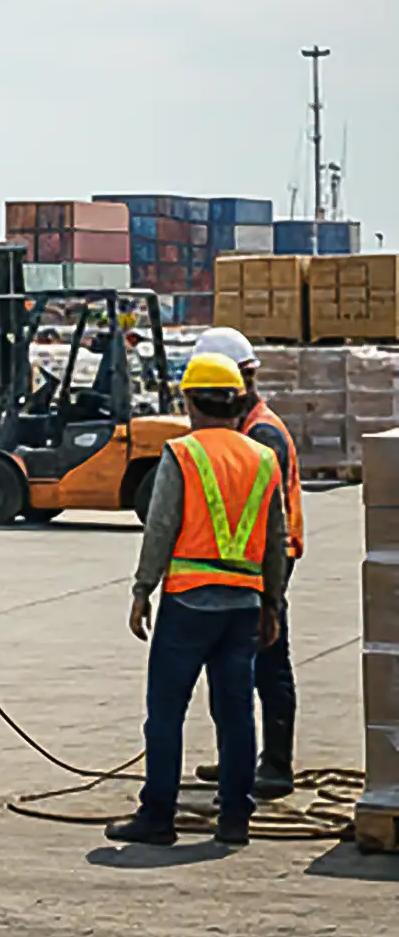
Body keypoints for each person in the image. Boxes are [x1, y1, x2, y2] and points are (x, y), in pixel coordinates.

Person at [105, 352, 288, 847]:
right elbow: (276, 538)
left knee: (166, 711)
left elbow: (160, 526)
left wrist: (142, 589)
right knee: (235, 713)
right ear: (238, 400)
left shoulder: (181, 454)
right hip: (244, 605)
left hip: (188, 603)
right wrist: (272, 603)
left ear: (189, 401)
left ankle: (158, 816)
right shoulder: (263, 458)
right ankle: (234, 819)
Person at [191, 325, 299, 801]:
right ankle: (238, 756)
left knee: (268, 663)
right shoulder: (245, 428)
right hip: (240, 564)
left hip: (268, 562)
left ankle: (275, 765)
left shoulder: (263, 434)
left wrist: (266, 591)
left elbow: (268, 520)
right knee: (232, 667)